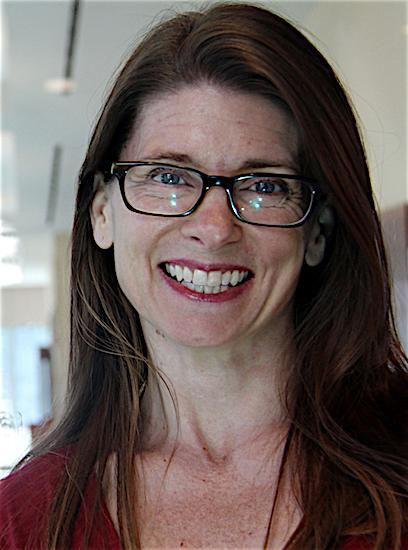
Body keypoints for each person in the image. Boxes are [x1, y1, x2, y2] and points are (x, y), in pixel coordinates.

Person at [1, 3, 407, 549]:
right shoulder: (23, 521)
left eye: (264, 185)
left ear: (316, 232)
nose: (213, 229)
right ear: (102, 212)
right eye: (168, 176)